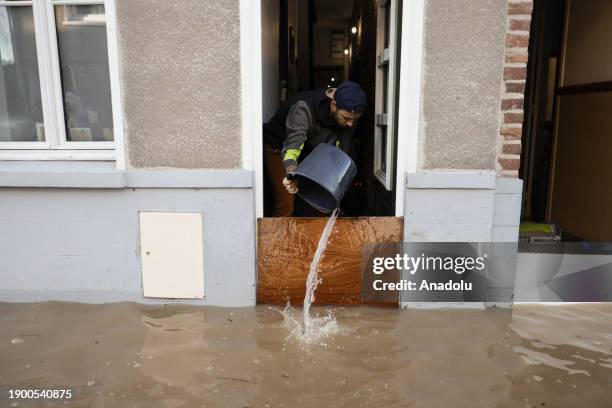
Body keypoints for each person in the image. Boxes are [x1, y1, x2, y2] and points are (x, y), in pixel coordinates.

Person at [263, 80, 367, 216]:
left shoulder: (346, 118)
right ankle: (279, 237)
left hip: (309, 152)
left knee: (320, 201)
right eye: (346, 118)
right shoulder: (304, 108)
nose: (350, 124)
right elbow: (292, 146)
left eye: (354, 119)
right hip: (279, 147)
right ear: (334, 105)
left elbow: (339, 151)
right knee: (286, 201)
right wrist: (290, 174)